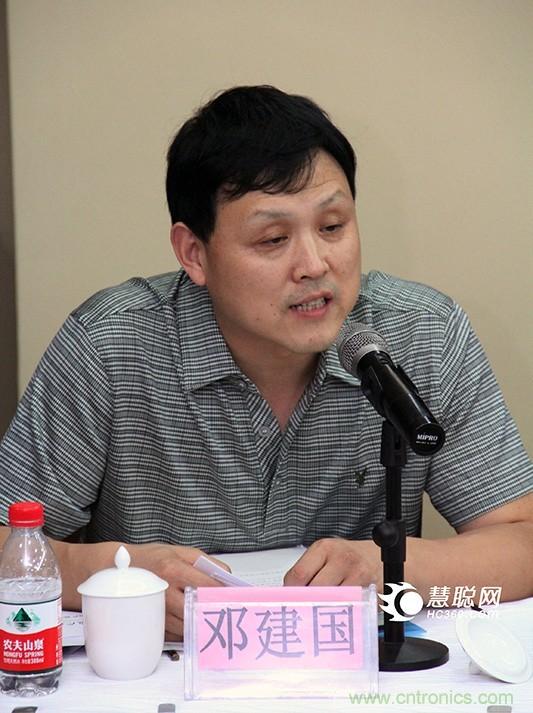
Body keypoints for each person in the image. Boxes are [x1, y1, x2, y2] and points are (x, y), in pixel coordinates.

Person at [0, 86, 532, 639]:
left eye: (332, 227)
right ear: (194, 253)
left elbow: (522, 538)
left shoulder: (422, 335)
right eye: (274, 238)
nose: (314, 264)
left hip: (348, 668)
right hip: (160, 668)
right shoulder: (111, 346)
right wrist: (114, 575)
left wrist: (395, 570)